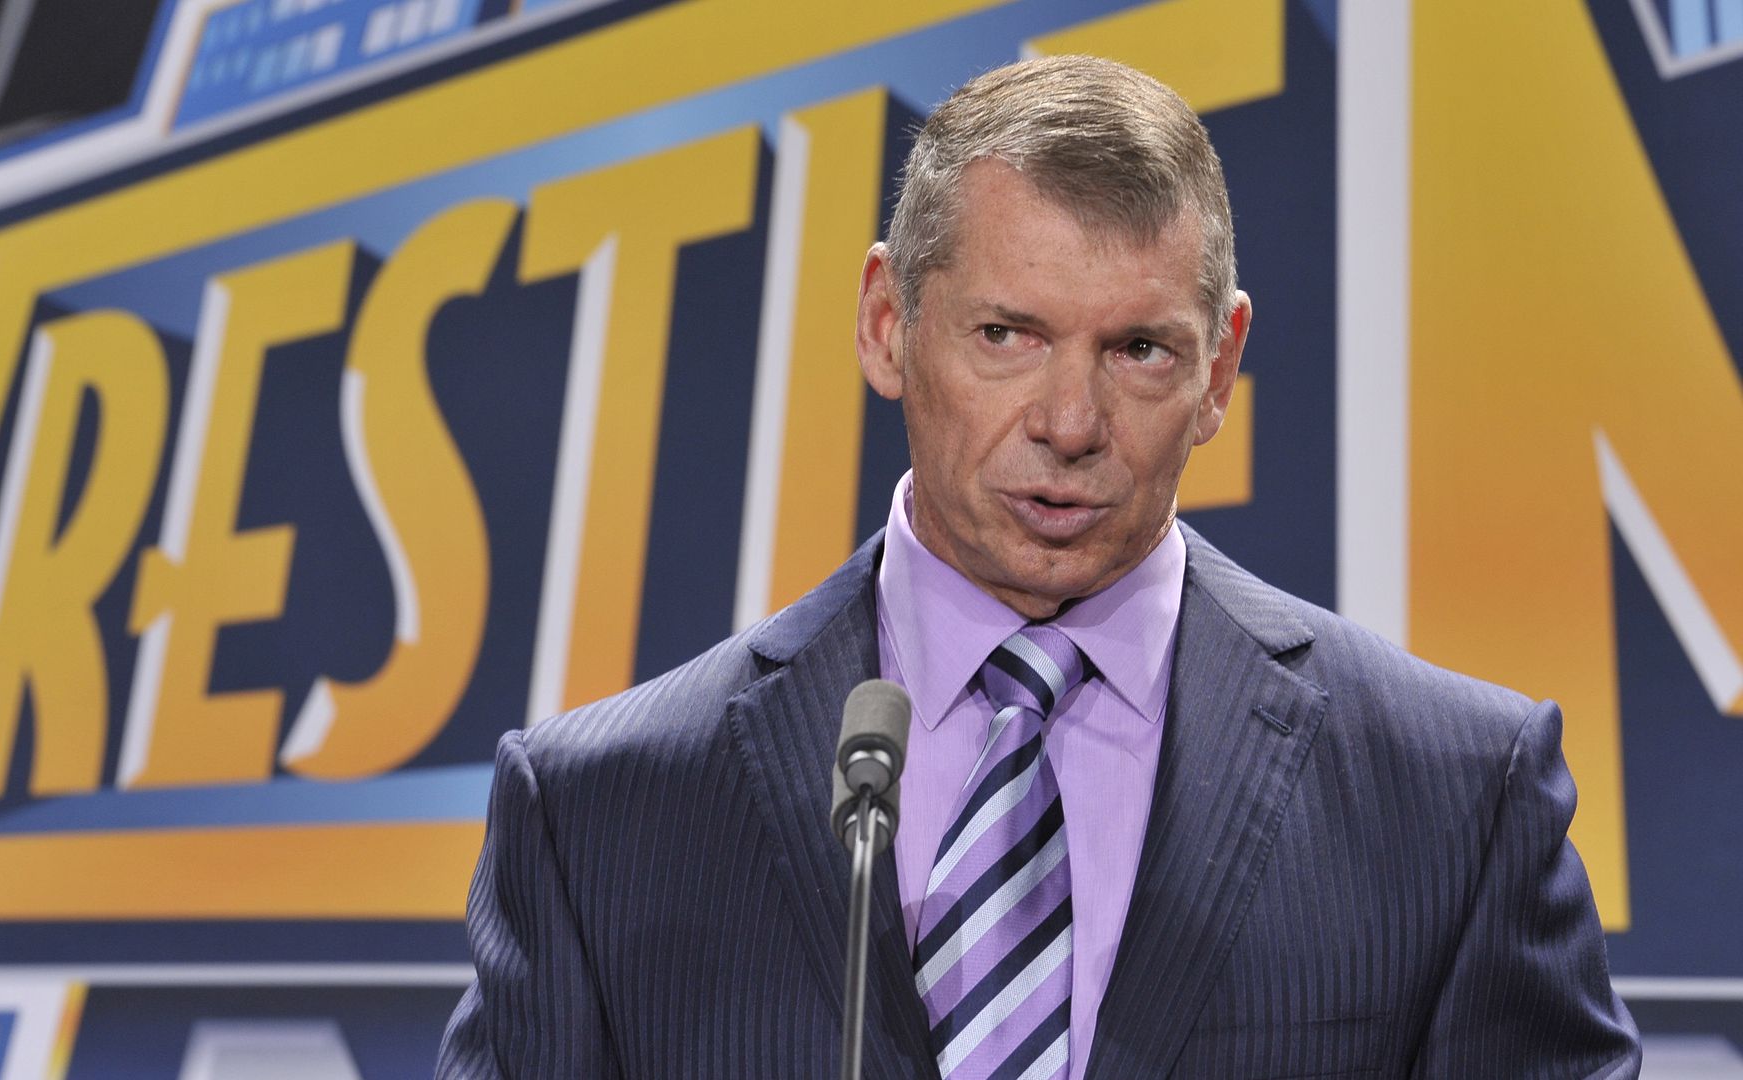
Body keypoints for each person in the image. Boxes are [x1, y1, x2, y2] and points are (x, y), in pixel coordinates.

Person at [437, 55, 1640, 1079]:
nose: (1070, 423)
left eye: (1139, 349)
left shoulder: (1454, 797)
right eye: (1006, 335)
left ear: (1219, 370)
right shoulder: (599, 814)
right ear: (887, 323)